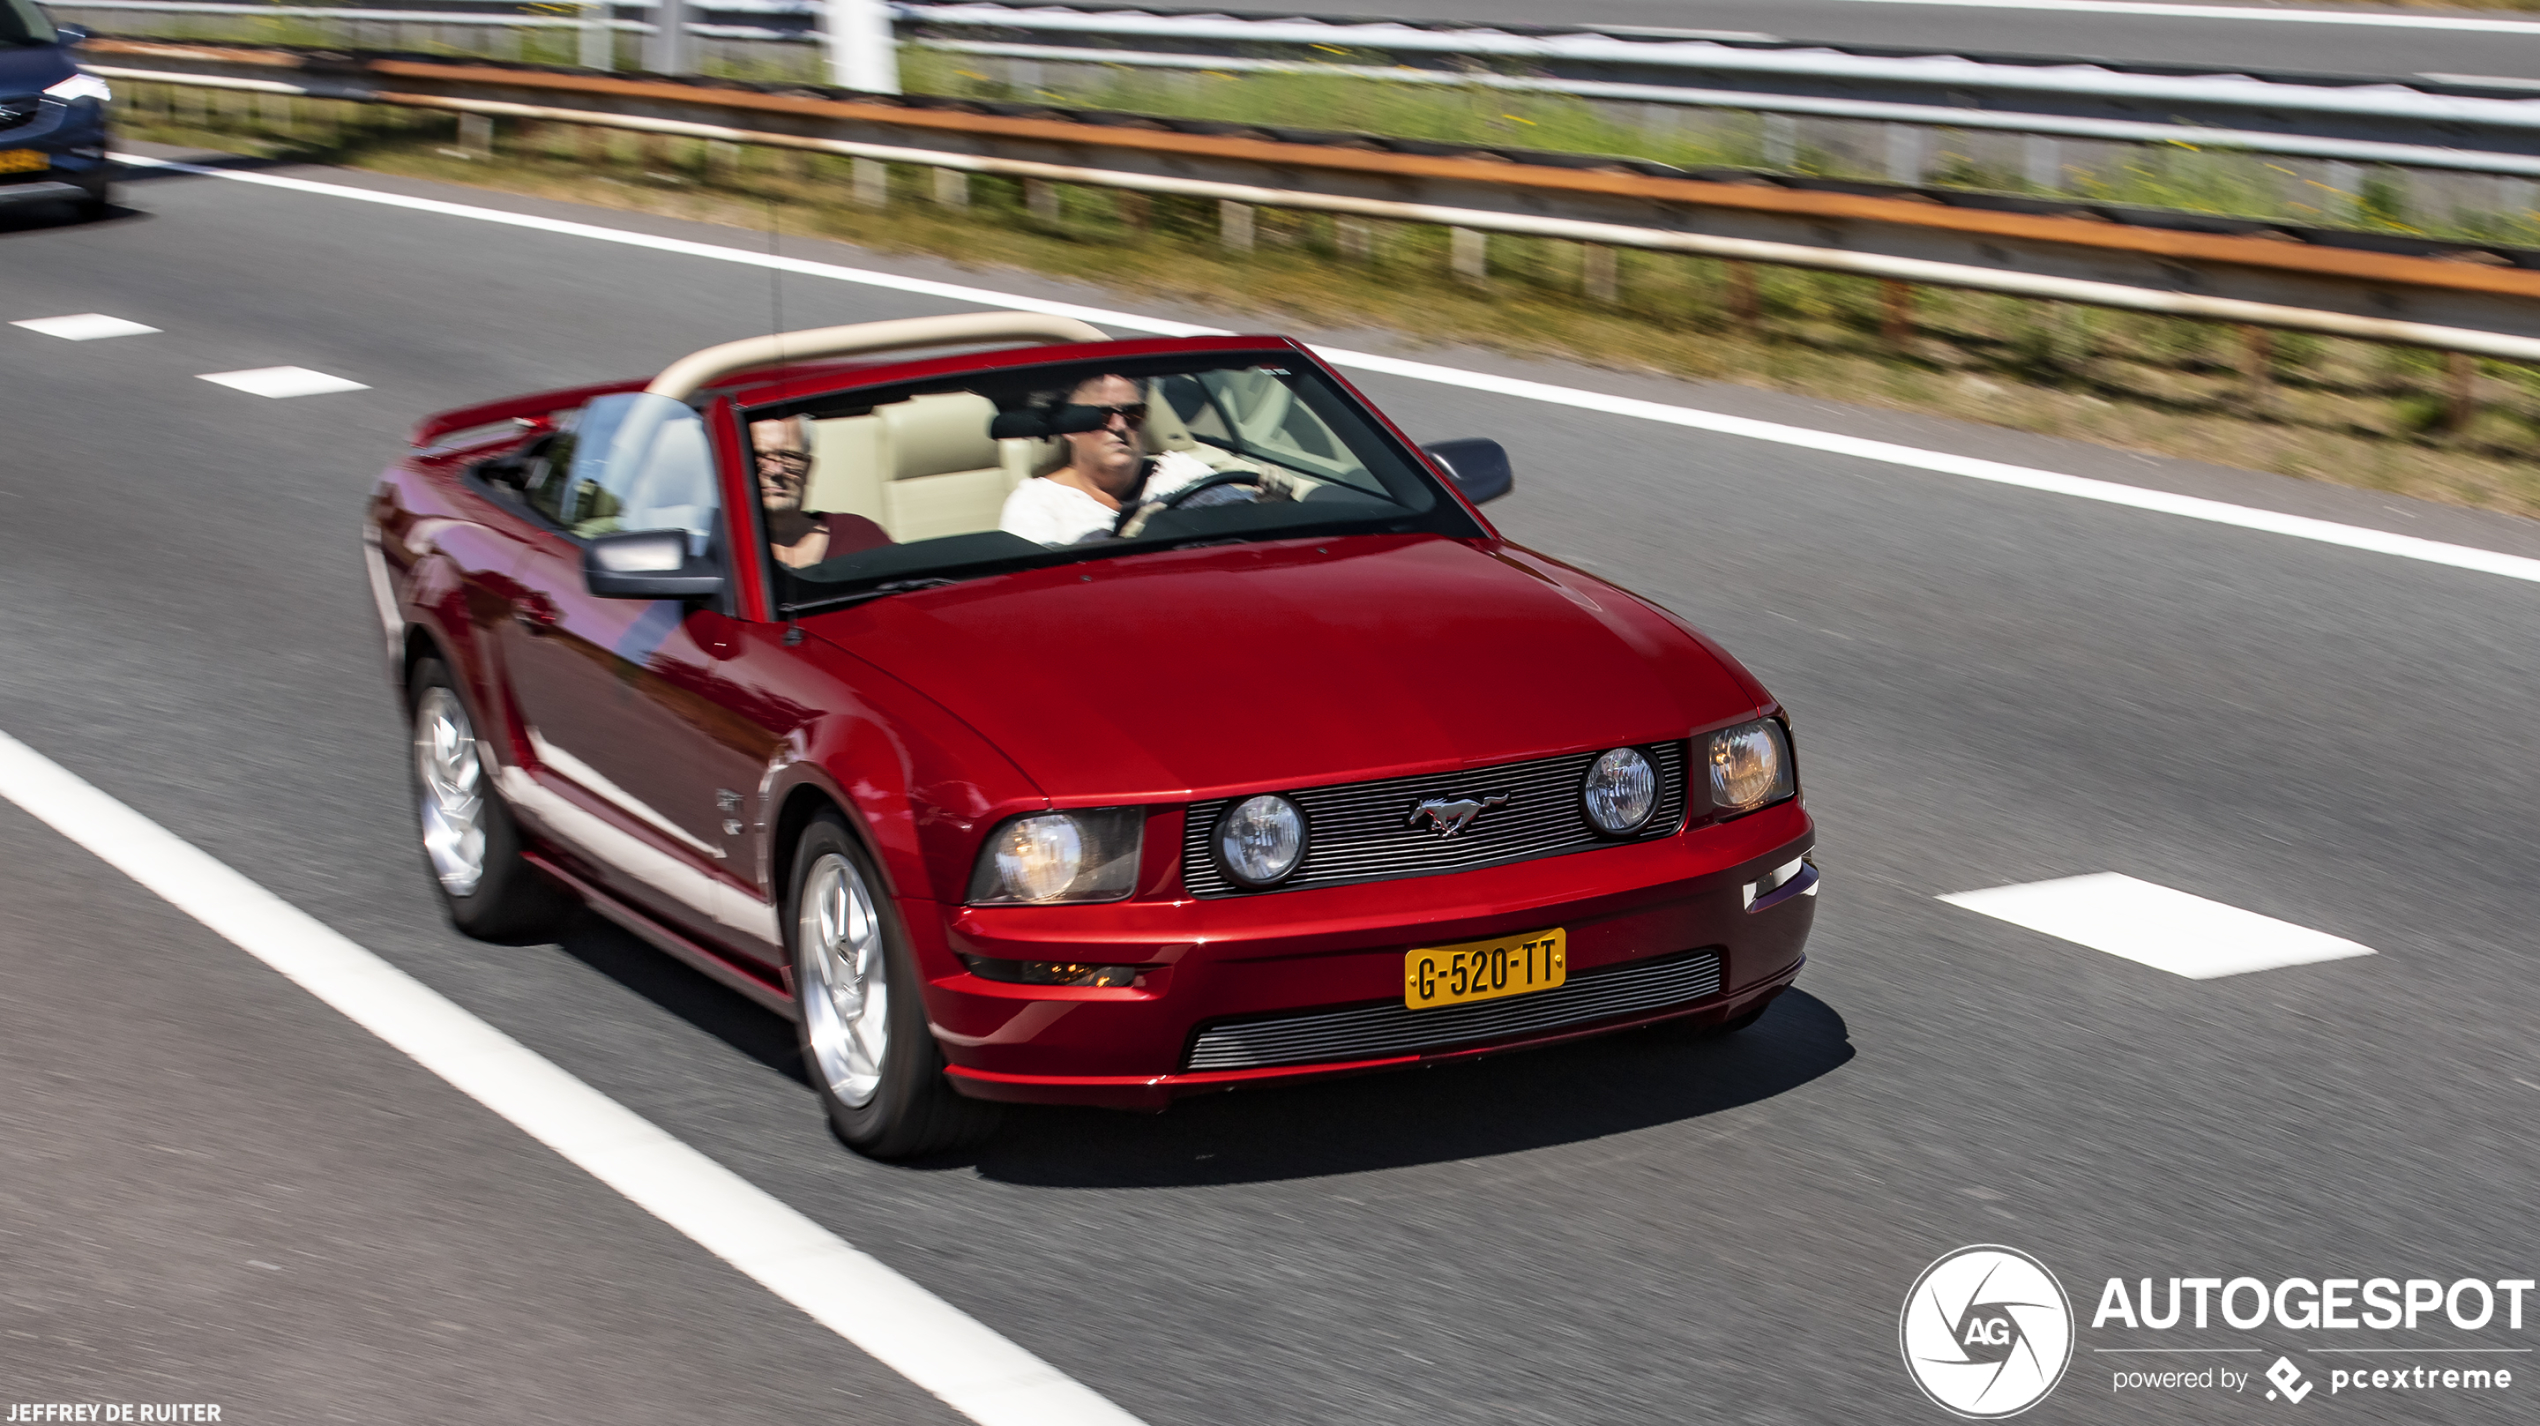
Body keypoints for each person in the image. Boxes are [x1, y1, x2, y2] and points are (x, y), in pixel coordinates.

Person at [997, 374, 1218, 546]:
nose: (1119, 426)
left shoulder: (1182, 473)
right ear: (1067, 427)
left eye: (1133, 412)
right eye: (1100, 415)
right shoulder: (1036, 504)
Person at [753, 416, 889, 569]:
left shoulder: (861, 536)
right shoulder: (727, 554)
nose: (776, 470)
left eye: (789, 457)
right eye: (758, 457)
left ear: (809, 468)